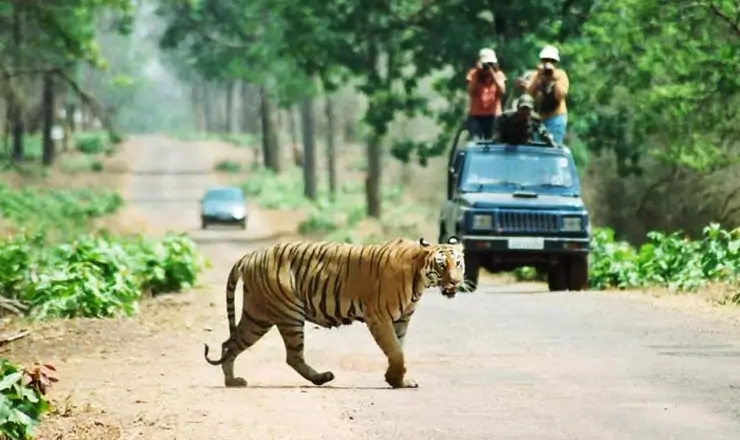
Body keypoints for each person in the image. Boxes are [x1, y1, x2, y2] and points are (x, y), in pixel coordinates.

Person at [524, 45, 569, 145]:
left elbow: (560, 96)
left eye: (551, 61)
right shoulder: (537, 75)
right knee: (537, 147)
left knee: (554, 146)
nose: (548, 63)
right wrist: (539, 77)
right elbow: (529, 94)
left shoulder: (561, 75)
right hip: (539, 118)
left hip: (556, 117)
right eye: (545, 60)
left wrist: (553, 78)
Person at [465, 48, 507, 139]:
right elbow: (470, 92)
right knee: (475, 141)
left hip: (493, 115)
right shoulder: (473, 74)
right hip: (476, 115)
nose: (487, 67)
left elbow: (502, 91)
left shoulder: (499, 75)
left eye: (490, 64)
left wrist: (492, 74)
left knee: (492, 142)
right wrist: (477, 74)